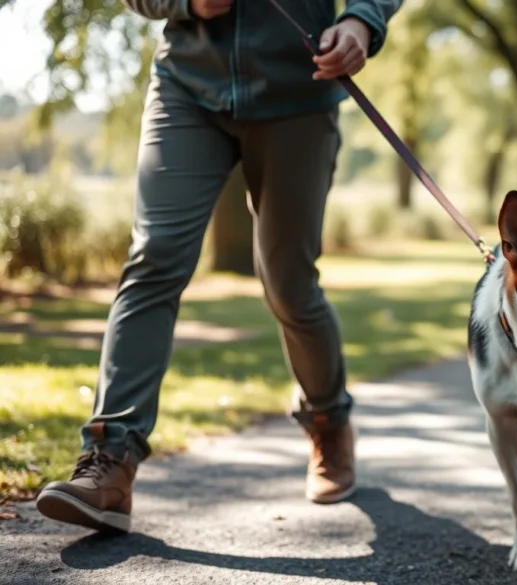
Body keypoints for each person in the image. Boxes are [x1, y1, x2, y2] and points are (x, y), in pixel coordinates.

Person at [34, 0, 402, 532]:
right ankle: (111, 462)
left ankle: (328, 420)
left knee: (289, 285)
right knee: (155, 256)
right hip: (187, 85)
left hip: (298, 92)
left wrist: (363, 20)